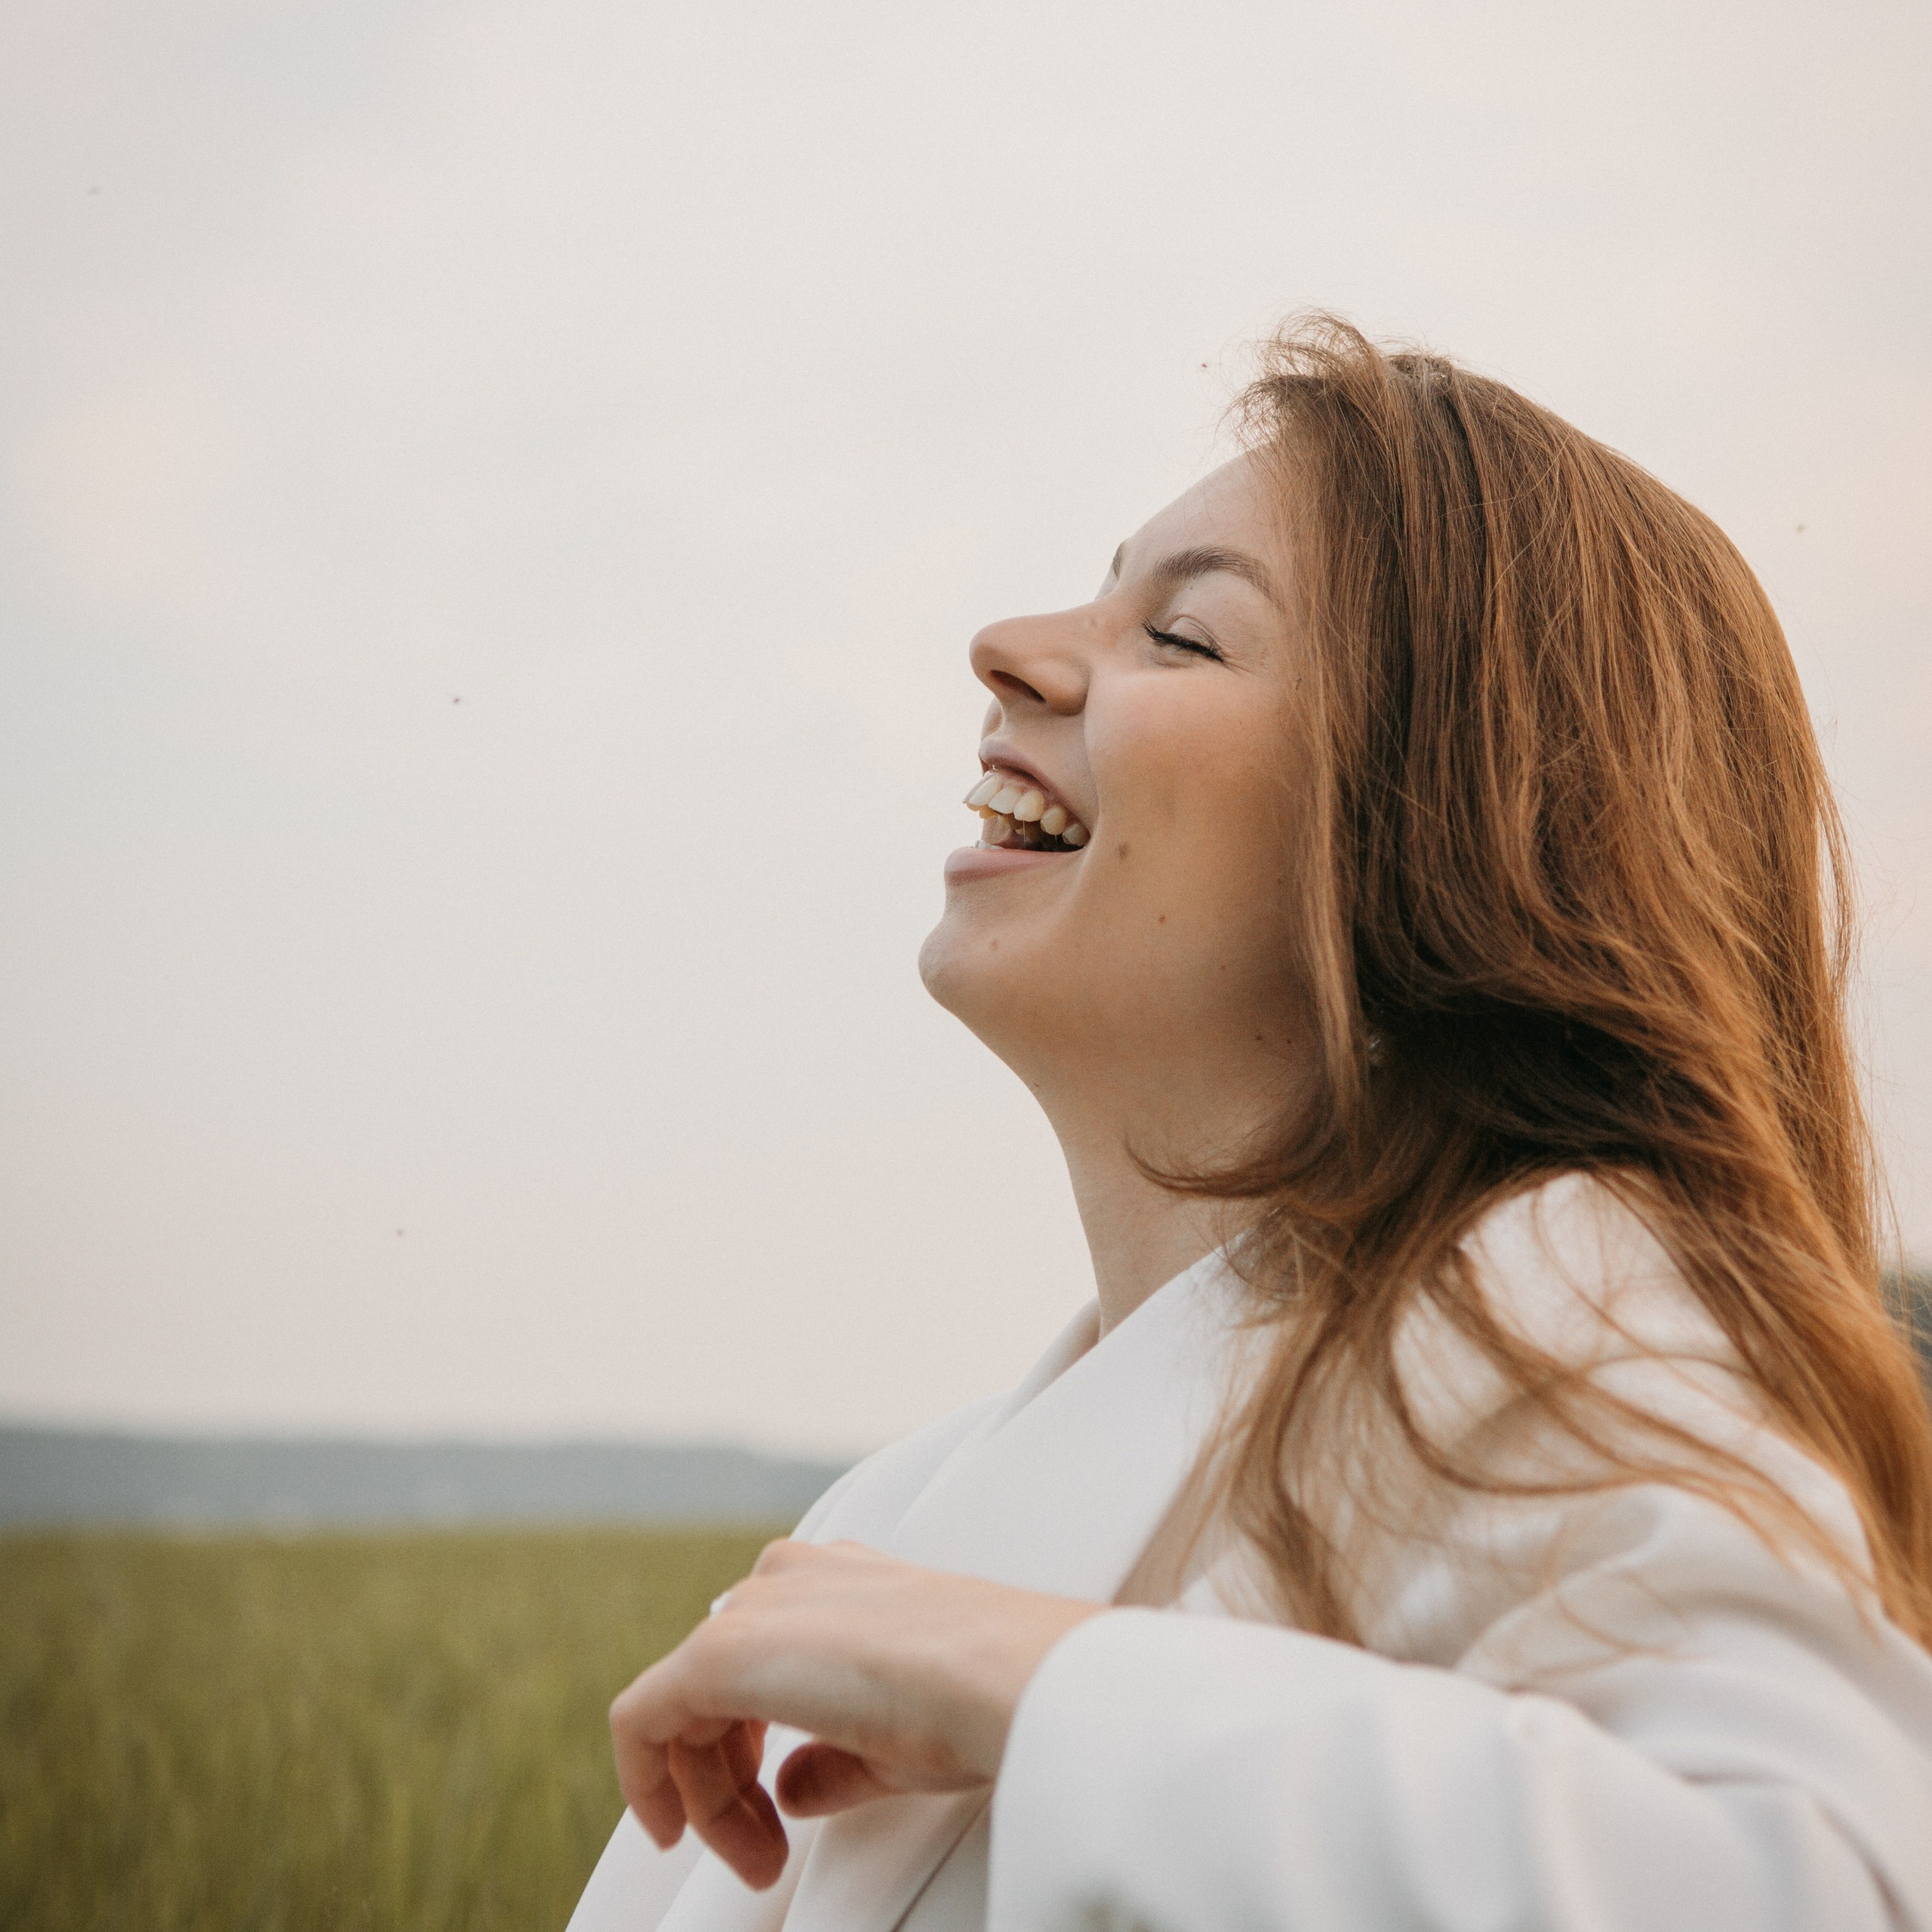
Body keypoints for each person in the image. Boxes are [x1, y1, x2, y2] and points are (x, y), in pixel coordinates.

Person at [566, 316, 1932, 1931]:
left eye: (1185, 636)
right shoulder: (878, 1518)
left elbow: (1814, 1886)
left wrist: (1037, 1675)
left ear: (1451, 834)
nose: (1007, 643)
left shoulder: (1560, 1296)